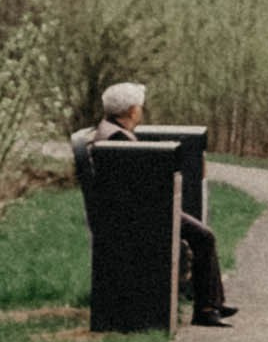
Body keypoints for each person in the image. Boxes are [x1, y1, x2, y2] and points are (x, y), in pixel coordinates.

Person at [91, 83, 233, 326]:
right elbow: (139, 185)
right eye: (140, 107)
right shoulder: (118, 138)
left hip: (132, 211)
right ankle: (207, 308)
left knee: (202, 234)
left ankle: (212, 302)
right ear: (132, 110)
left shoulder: (110, 132)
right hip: (141, 215)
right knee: (204, 236)